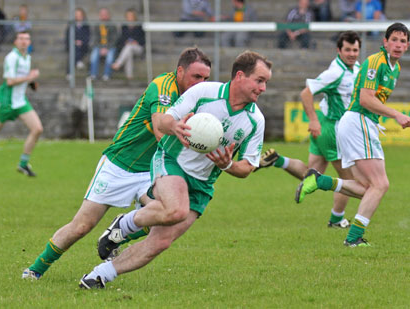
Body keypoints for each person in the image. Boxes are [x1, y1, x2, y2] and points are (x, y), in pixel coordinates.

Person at [78, 50, 272, 289]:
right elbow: (163, 121)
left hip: (202, 184)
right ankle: (126, 224)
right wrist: (176, 127)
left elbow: (248, 167)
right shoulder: (203, 93)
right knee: (177, 210)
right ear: (240, 76)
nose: (263, 88)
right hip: (171, 160)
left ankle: (99, 276)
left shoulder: (256, 121)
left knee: (161, 242)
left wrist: (228, 164)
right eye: (260, 81)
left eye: (266, 83)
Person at [21, 47, 212, 280]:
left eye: (205, 79)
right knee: (82, 225)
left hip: (151, 169)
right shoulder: (163, 86)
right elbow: (161, 128)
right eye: (196, 77)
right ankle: (35, 269)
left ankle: (117, 233)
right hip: (119, 164)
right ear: (180, 71)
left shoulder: (199, 97)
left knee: (167, 214)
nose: (201, 83)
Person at [295, 23, 410, 247]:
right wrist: (396, 114)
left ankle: (320, 181)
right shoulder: (375, 62)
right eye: (394, 40)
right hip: (358, 122)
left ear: (408, 46)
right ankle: (353, 238)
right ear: (385, 42)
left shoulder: (394, 68)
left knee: (367, 187)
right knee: (381, 185)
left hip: (358, 124)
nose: (398, 45)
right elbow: (365, 99)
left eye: (403, 41)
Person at [257, 31, 362, 229]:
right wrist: (313, 120)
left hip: (327, 126)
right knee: (348, 179)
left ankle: (278, 160)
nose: (352, 53)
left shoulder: (356, 68)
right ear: (339, 50)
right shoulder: (335, 73)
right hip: (331, 128)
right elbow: (306, 93)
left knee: (311, 174)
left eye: (355, 50)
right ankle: (337, 219)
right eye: (347, 50)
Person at [0, 31, 42, 177]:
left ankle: (23, 164)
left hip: (21, 101)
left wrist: (32, 83)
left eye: (27, 39)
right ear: (15, 42)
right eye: (21, 38)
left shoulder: (27, 58)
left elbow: (24, 79)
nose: (24, 41)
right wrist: (29, 77)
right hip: (7, 101)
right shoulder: (11, 58)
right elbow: (10, 81)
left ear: (29, 42)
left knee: (37, 129)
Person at [111, 8, 145, 80]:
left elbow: (143, 40)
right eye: (128, 16)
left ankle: (118, 63)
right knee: (129, 51)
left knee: (129, 47)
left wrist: (136, 42)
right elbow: (121, 39)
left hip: (138, 47)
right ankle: (129, 76)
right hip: (128, 48)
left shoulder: (139, 26)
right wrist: (125, 42)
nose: (130, 17)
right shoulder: (124, 27)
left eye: (131, 16)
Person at [89, 8, 118, 81]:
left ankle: (107, 75)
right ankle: (93, 74)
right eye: (102, 15)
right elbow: (95, 39)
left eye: (105, 14)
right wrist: (101, 48)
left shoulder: (112, 26)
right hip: (99, 47)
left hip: (110, 47)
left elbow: (114, 39)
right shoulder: (97, 26)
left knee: (110, 57)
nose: (104, 16)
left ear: (108, 15)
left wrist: (106, 48)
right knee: (94, 55)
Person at [65, 7, 90, 73]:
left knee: (76, 49)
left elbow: (87, 37)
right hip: (72, 45)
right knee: (74, 49)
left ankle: (69, 72)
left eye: (80, 15)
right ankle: (78, 61)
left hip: (83, 46)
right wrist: (74, 41)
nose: (78, 17)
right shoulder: (71, 25)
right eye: (77, 15)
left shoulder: (86, 25)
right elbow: (68, 37)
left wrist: (82, 42)